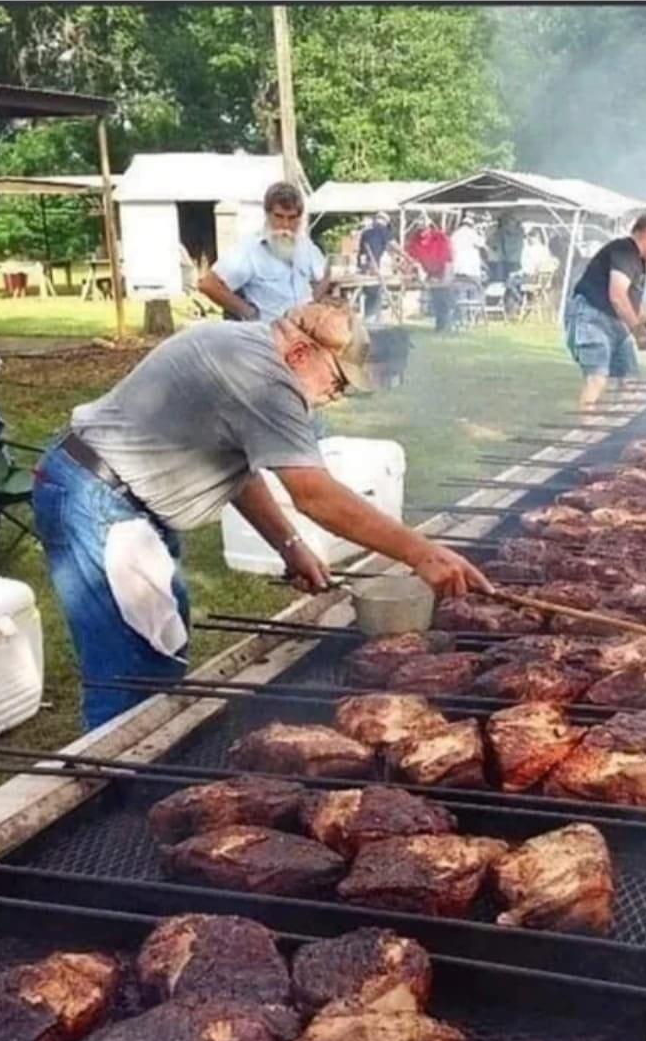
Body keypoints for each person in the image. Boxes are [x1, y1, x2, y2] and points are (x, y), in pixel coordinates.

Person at [32, 301, 489, 730]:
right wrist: (422, 553)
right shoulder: (267, 379)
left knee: (156, 654)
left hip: (120, 498)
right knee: (129, 675)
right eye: (337, 380)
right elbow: (315, 495)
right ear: (301, 352)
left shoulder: (253, 351)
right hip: (100, 501)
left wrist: (289, 545)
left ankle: (131, 769)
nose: (337, 395)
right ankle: (113, 784)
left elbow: (237, 467)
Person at [564, 211, 646, 410]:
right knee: (597, 379)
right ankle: (585, 425)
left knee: (629, 380)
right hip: (591, 319)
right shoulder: (625, 251)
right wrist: (639, 332)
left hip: (614, 324)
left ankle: (622, 425)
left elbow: (633, 303)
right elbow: (618, 296)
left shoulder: (638, 262)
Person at [198, 182, 326, 323]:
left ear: (299, 219)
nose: (285, 225)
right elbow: (208, 284)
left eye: (292, 218)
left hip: (304, 330)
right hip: (267, 331)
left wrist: (313, 305)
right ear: (267, 214)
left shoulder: (306, 247)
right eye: (279, 216)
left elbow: (325, 277)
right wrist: (248, 312)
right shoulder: (249, 249)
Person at [406, 216, 456, 333]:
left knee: (444, 298)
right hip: (429, 273)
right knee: (437, 300)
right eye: (419, 229)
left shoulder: (440, 238)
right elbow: (411, 258)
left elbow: (449, 258)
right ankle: (441, 326)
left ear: (429, 227)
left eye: (424, 229)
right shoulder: (415, 241)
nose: (421, 232)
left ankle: (448, 324)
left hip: (443, 270)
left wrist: (446, 277)